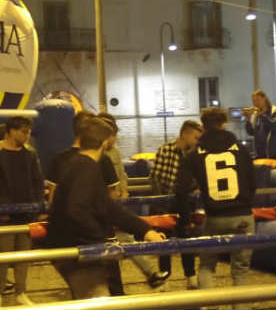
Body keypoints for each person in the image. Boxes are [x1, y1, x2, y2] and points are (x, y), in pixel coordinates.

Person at [46, 117, 165, 299]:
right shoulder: (86, 168)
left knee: (95, 300)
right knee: (96, 299)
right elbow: (77, 210)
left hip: (74, 249)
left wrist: (144, 229)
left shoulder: (77, 165)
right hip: (81, 253)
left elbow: (107, 207)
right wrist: (99, 242)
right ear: (104, 142)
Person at [175, 107, 256, 295]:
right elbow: (253, 182)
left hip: (214, 217)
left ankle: (208, 305)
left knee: (206, 266)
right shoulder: (241, 150)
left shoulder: (195, 154)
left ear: (203, 127)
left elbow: (180, 190)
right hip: (242, 215)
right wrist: (244, 203)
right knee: (241, 270)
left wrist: (185, 219)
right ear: (224, 124)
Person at [99, 113, 169, 291]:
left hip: (115, 204)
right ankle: (149, 273)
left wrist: (124, 189)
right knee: (123, 240)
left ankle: (146, 275)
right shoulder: (98, 157)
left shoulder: (113, 153)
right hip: (106, 207)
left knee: (122, 241)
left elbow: (121, 174)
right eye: (112, 135)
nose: (115, 139)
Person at [0, 116, 44, 307]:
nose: (27, 136)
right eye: (23, 132)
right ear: (11, 131)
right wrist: (0, 210)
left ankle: (21, 292)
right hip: (4, 215)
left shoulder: (30, 154)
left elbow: (37, 182)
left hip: (27, 214)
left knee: (24, 255)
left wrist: (37, 208)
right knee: (3, 254)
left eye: (29, 132)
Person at [150, 119, 203, 289]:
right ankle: (165, 278)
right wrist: (161, 202)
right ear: (185, 135)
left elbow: (198, 177)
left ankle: (190, 276)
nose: (197, 141)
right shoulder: (165, 150)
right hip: (166, 203)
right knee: (165, 243)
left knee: (187, 239)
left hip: (186, 204)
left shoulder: (195, 153)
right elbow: (156, 178)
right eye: (195, 137)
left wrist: (196, 188)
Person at [46, 111, 119, 202]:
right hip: (95, 214)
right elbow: (112, 194)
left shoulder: (59, 159)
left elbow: (52, 195)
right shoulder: (103, 159)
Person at [244, 89, 276, 159]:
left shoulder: (275, 110)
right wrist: (247, 120)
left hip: (272, 153)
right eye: (254, 101)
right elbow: (251, 132)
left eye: (258, 100)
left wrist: (262, 115)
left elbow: (274, 126)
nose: (256, 103)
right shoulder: (256, 114)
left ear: (264, 98)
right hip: (260, 153)